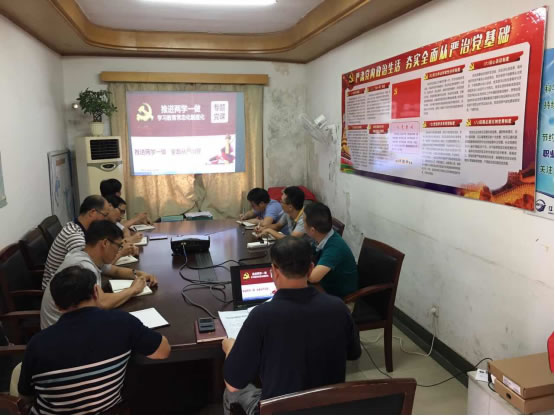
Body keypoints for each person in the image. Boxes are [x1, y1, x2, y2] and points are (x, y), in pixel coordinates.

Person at [222, 237, 361, 414]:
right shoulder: (339, 308)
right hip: (328, 408)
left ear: (274, 271)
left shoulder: (261, 316)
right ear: (311, 268)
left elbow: (233, 384)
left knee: (230, 393)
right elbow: (354, 353)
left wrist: (230, 348)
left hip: (280, 410)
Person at [20, 266, 170, 414]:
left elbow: (26, 395)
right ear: (96, 292)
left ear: (56, 305)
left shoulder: (37, 344)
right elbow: (163, 351)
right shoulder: (123, 322)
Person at [40, 220, 158, 329]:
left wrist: (139, 274)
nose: (120, 250)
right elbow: (102, 303)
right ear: (105, 243)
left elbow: (114, 270)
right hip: (62, 332)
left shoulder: (86, 253)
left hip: (74, 323)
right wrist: (133, 290)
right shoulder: (82, 266)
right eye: (119, 246)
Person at [42, 195, 110, 289]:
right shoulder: (75, 237)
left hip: (71, 283)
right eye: (105, 215)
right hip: (59, 291)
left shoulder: (76, 226)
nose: (106, 220)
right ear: (92, 212)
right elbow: (91, 270)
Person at [304, 202, 358, 298]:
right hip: (325, 284)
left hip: (340, 296)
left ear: (312, 230)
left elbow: (313, 278)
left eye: (303, 221)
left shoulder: (335, 248)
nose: (302, 224)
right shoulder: (322, 236)